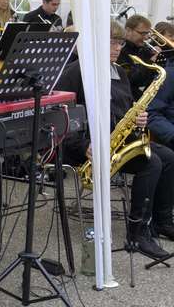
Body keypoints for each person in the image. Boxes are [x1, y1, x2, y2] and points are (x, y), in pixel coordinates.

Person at [56, 21, 174, 259]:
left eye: (120, 42)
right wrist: (84, 146)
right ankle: (137, 232)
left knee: (169, 156)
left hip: (117, 141)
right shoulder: (75, 73)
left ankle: (161, 220)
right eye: (112, 42)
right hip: (86, 147)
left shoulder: (118, 71)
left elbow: (125, 108)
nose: (117, 47)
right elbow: (61, 119)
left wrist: (139, 118)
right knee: (152, 163)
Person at [118, 15, 159, 101]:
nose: (146, 37)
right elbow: (132, 79)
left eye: (148, 33)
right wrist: (151, 62)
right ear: (128, 31)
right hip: (129, 99)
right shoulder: (119, 50)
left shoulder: (144, 49)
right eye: (142, 33)